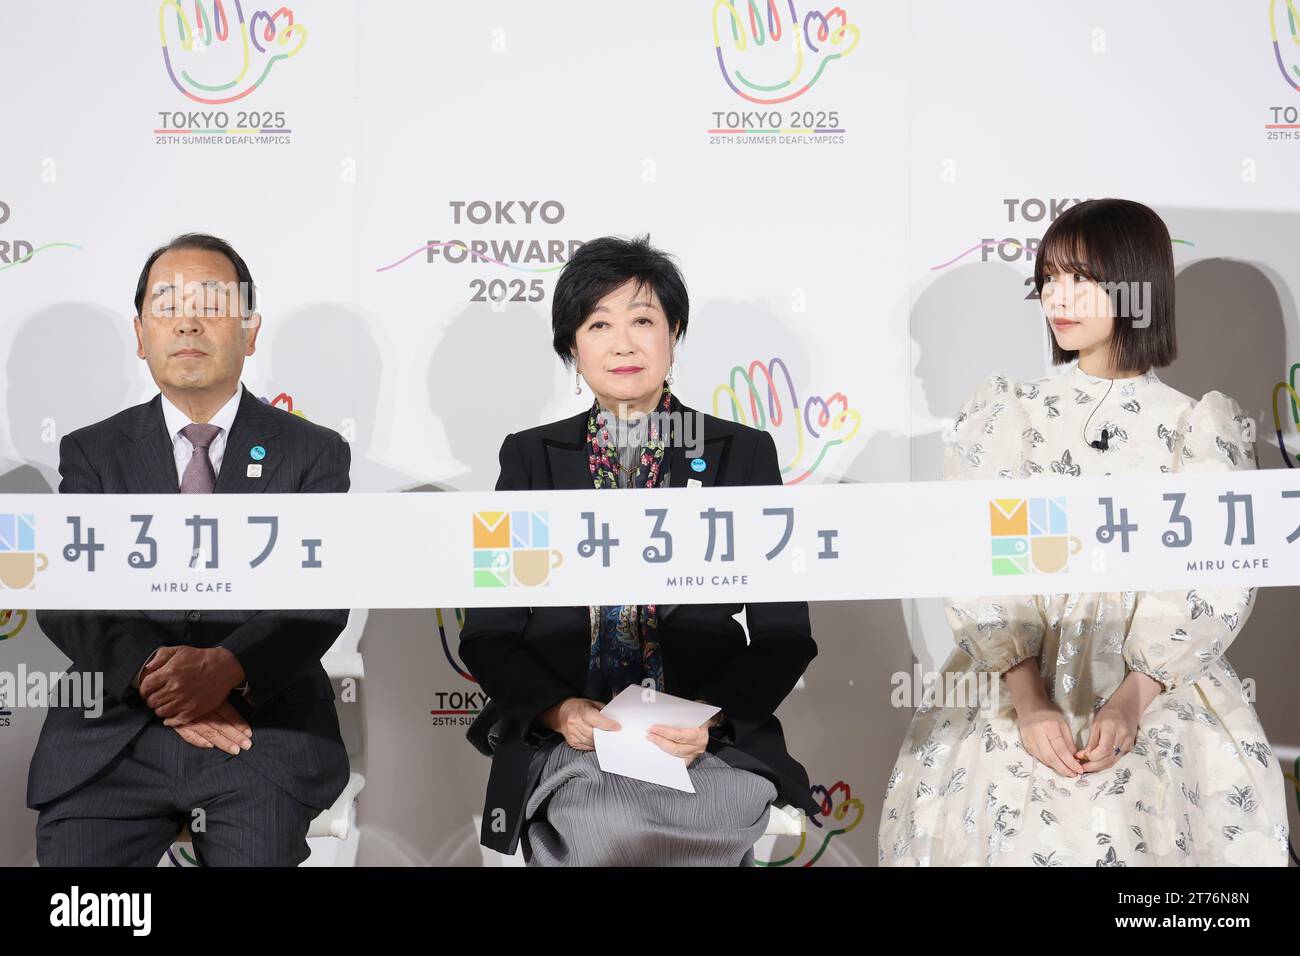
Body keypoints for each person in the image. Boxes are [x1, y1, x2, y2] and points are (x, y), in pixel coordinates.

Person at [878, 199, 1291, 866]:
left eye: (1082, 279)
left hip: (1159, 695)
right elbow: (977, 560)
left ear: (1137, 286)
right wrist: (1028, 699)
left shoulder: (1198, 428)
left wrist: (1133, 700)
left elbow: (1213, 584)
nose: (1058, 299)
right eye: (1048, 279)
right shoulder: (1009, 413)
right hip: (1015, 687)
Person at [460, 235, 819, 865]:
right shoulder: (531, 458)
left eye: (643, 321)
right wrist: (557, 710)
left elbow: (784, 632)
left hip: (704, 742)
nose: (623, 343)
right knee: (607, 823)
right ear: (572, 347)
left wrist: (710, 720)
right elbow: (489, 632)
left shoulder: (742, 453)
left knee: (696, 811)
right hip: (575, 741)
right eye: (598, 324)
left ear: (673, 334)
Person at [28, 233, 352, 866]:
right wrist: (161, 679)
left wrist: (227, 670)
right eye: (167, 304)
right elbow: (68, 597)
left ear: (249, 329)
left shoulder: (312, 452)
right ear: (141, 333)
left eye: (211, 301)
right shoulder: (92, 452)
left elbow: (319, 597)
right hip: (115, 734)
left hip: (257, 731)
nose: (188, 321)